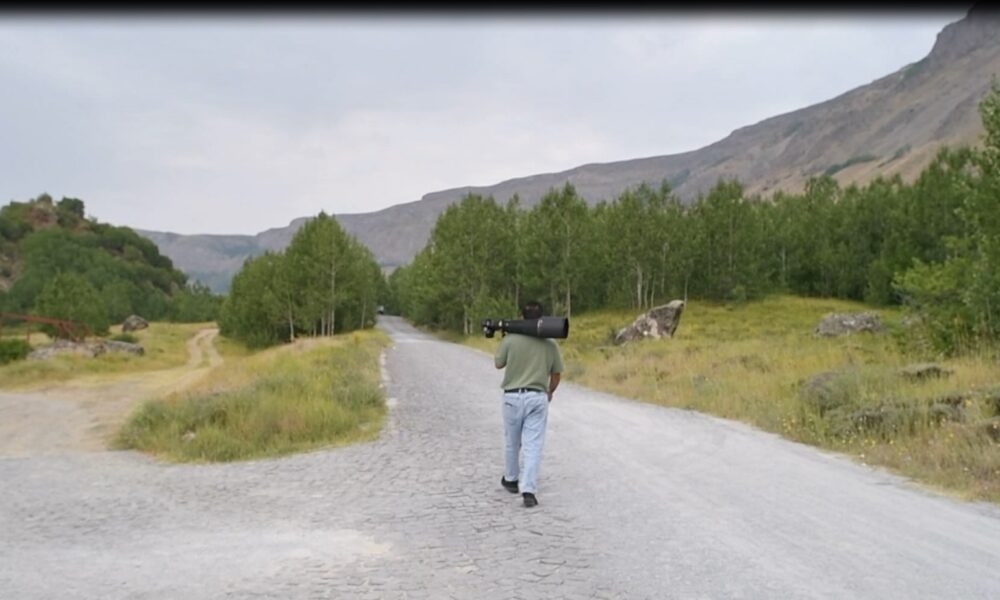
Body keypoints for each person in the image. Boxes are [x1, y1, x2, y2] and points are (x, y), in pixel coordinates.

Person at [494, 300, 564, 508]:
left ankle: (511, 479)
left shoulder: (510, 339)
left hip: (512, 397)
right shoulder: (550, 343)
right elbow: (556, 374)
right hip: (537, 397)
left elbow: (498, 364)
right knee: (533, 445)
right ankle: (529, 490)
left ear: (521, 317)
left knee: (512, 441)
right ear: (542, 318)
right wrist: (549, 391)